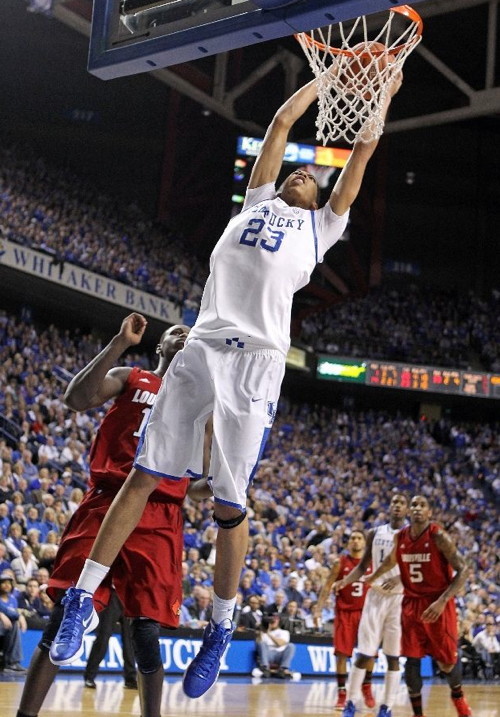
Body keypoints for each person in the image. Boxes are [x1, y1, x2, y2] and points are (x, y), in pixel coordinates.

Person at [49, 68, 403, 700]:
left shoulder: (321, 229)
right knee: (143, 475)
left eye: (310, 176)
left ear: (319, 200)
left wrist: (378, 97)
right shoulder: (256, 204)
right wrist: (325, 78)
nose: (301, 173)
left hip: (256, 363)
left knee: (228, 504)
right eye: (296, 170)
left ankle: (220, 626)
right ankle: (82, 597)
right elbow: (281, 124)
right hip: (202, 346)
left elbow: (361, 155)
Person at [16, 315, 210, 717]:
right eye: (177, 332)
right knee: (65, 615)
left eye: (192, 335)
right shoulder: (131, 377)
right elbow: (76, 399)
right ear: (160, 345)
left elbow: (195, 485)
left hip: (159, 513)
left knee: (147, 633)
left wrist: (225, 485)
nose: (185, 336)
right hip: (108, 500)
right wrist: (119, 343)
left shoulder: (198, 407)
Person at [365, 495, 473, 717]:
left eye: (422, 505)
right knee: (411, 660)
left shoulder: (438, 535)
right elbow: (391, 560)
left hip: (438, 603)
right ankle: (418, 713)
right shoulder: (401, 537)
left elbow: (463, 570)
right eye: (413, 505)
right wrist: (373, 576)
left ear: (429, 512)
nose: (417, 508)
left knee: (446, 663)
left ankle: (458, 698)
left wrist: (442, 601)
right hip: (412, 605)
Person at [336, 493, 409, 717]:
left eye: (401, 503)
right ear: (389, 506)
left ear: (406, 509)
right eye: (394, 502)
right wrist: (344, 581)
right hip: (375, 596)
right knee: (364, 653)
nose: (397, 506)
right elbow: (362, 566)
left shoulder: (411, 536)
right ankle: (350, 702)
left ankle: (387, 706)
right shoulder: (375, 532)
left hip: (399, 599)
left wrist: (400, 578)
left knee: (393, 657)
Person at [316, 530, 373, 710]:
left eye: (359, 538)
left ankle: (367, 687)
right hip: (344, 613)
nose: (355, 541)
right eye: (352, 538)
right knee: (341, 654)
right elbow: (327, 586)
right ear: (348, 543)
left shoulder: (372, 563)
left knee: (370, 653)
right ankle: (342, 693)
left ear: (364, 543)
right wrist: (318, 608)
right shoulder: (339, 562)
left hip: (366, 613)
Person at [83, 589, 137, 690]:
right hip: (112, 595)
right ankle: (89, 676)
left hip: (129, 597)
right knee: (103, 638)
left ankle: (130, 679)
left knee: (129, 641)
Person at [0, 571, 27, 673]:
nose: (7, 585)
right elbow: (6, 610)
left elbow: (12, 613)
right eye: (3, 583)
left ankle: (12, 663)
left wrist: (18, 617)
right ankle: (11, 663)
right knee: (14, 624)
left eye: (9, 583)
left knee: (14, 625)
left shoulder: (13, 599)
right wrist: (18, 616)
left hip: (6, 627)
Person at [255, 614, 296, 678]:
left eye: (275, 620)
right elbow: (258, 643)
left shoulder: (284, 632)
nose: (272, 622)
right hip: (268, 654)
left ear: (279, 621)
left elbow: (280, 643)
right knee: (261, 643)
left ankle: (283, 669)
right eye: (271, 621)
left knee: (291, 646)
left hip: (280, 654)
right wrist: (260, 630)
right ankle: (265, 668)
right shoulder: (264, 633)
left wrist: (269, 634)